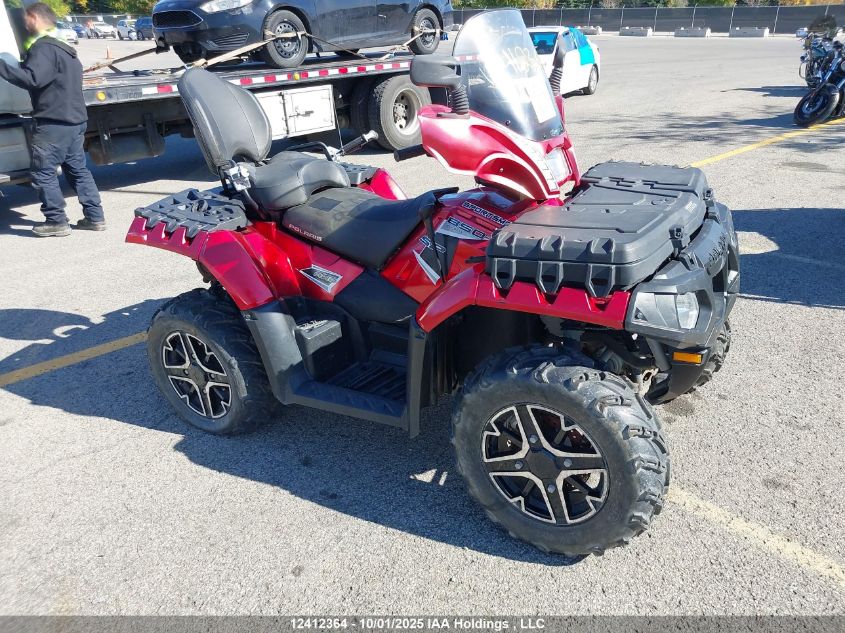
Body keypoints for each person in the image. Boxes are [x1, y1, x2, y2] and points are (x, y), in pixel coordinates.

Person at [0, 2, 105, 237]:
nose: (24, 23)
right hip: (75, 120)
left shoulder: (43, 48)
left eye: (27, 18)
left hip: (53, 122)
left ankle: (56, 220)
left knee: (43, 172)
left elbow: (33, 78)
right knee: (78, 171)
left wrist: (3, 67)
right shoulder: (65, 49)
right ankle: (95, 217)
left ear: (35, 18)